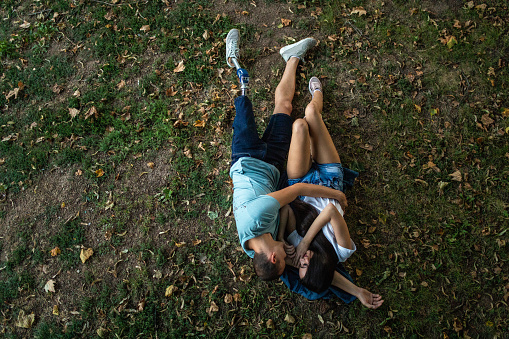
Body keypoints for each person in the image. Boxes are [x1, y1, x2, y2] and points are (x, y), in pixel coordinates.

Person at [226, 29, 348, 281]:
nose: (288, 255)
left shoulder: (255, 219)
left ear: (272, 257)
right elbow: (314, 268)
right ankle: (292, 57)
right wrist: (357, 291)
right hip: (271, 164)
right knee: (285, 108)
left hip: (246, 158)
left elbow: (294, 191)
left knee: (244, 99)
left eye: (283, 258)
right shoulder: (261, 248)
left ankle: (234, 61)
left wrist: (336, 195)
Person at [278, 76, 384, 309]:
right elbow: (330, 212)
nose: (301, 262)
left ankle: (311, 131)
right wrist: (306, 242)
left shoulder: (297, 249)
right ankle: (318, 94)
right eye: (306, 266)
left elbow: (285, 207)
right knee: (311, 113)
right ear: (318, 266)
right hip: (330, 181)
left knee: (300, 125)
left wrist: (282, 240)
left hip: (302, 182)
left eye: (300, 268)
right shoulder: (342, 251)